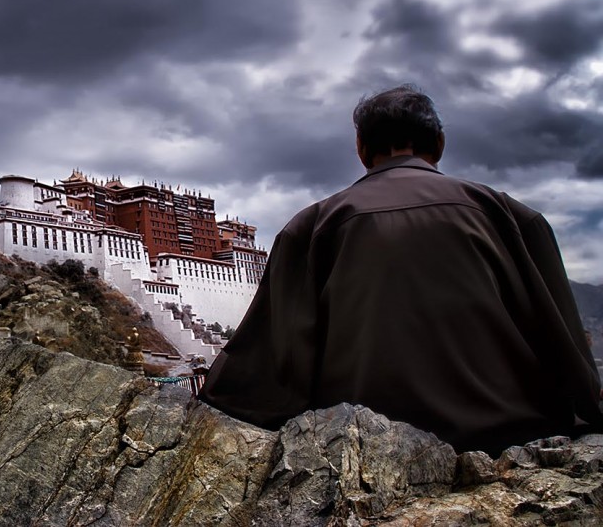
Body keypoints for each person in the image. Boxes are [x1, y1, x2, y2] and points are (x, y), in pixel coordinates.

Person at [198, 84, 602, 454]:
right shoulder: (505, 213)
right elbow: (560, 333)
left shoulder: (312, 226)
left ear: (361, 148)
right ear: (439, 144)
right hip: (509, 439)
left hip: (367, 446)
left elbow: (276, 357)